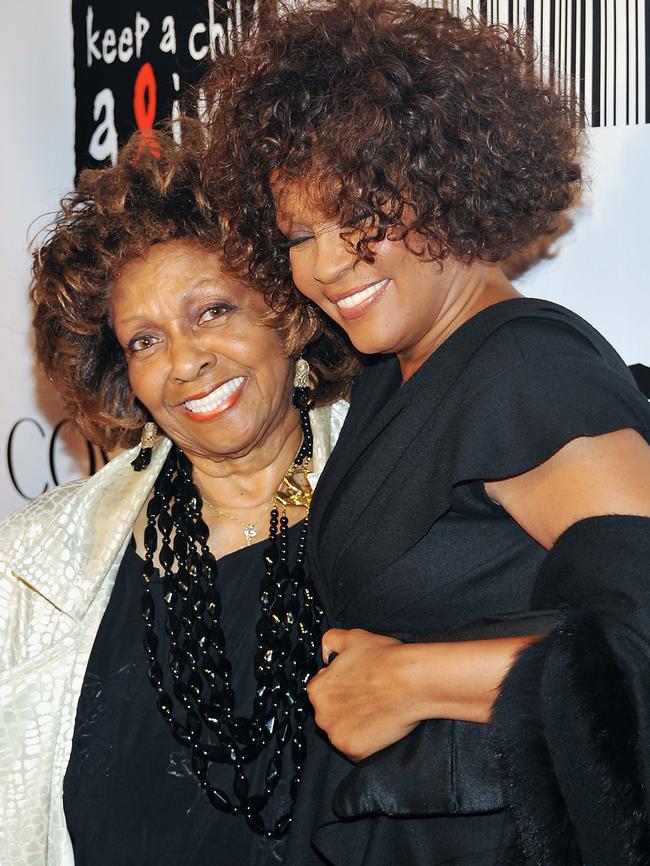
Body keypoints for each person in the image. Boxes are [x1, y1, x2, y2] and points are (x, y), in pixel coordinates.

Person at [201, 2, 650, 863]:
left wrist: (408, 681)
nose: (328, 264)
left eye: (363, 213)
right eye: (300, 234)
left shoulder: (526, 372)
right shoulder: (393, 373)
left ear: (451, 178)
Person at [0, 128, 354, 866]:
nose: (186, 362)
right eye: (145, 341)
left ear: (284, 312)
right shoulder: (38, 566)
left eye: (213, 311)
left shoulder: (397, 489)